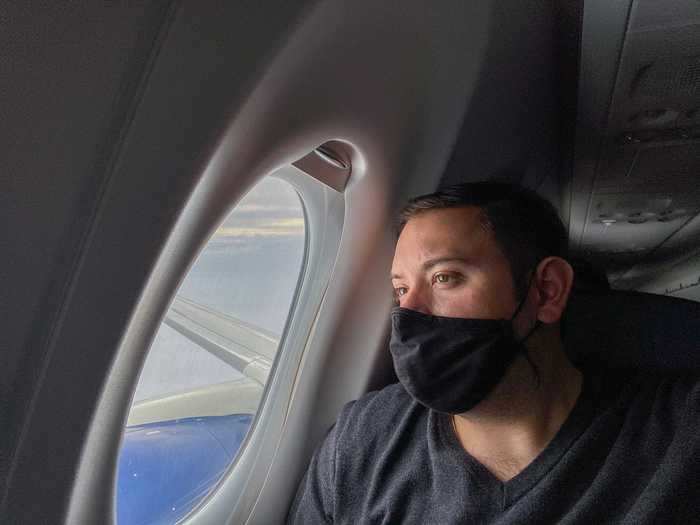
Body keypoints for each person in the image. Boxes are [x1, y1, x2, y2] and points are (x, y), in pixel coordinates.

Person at [287, 181, 700, 524]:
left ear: (547, 290)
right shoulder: (363, 439)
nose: (407, 313)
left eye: (444, 277)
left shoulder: (680, 439)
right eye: (400, 289)